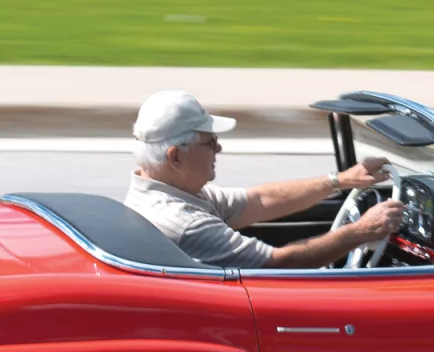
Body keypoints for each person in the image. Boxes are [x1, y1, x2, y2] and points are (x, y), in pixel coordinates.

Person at [125, 90, 404, 268]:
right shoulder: (184, 222)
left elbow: (258, 200)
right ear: (175, 157)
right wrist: (361, 231)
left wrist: (342, 180)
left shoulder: (169, 190)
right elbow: (281, 264)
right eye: (210, 142)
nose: (218, 148)